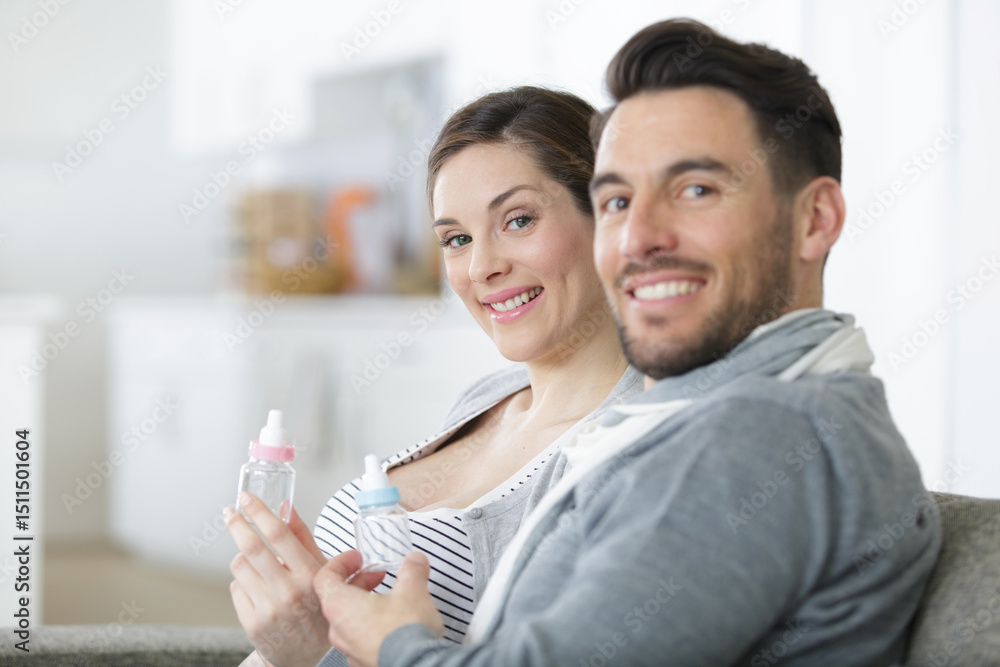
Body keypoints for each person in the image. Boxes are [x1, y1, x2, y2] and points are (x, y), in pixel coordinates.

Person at [311, 18, 943, 667]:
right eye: (616, 201)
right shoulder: (735, 410)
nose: (636, 238)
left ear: (815, 219)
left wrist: (391, 645)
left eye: (695, 190)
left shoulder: (767, 430)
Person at [225, 86, 644, 667]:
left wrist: (312, 653)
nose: (481, 266)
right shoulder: (489, 398)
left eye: (518, 220)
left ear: (610, 218)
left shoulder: (625, 457)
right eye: (457, 239)